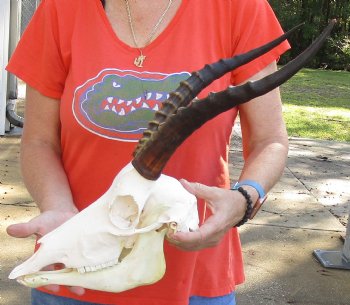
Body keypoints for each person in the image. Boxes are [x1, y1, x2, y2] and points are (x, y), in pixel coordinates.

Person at [6, 0, 290, 304]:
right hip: (75, 262)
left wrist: (244, 197)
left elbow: (269, 140)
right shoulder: (60, 9)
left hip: (194, 278)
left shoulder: (239, 8)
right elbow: (39, 142)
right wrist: (58, 210)